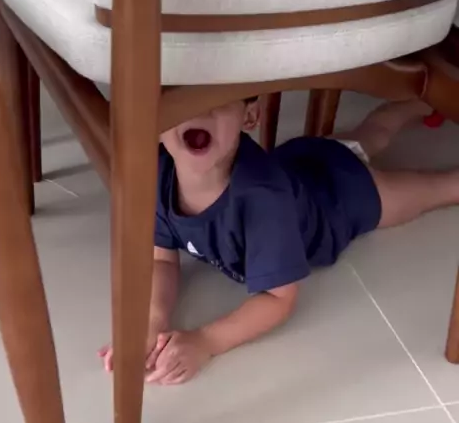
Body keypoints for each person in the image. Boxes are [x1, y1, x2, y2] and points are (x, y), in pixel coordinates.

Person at [100, 98, 459, 384]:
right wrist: (151, 322)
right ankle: (416, 104)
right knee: (370, 133)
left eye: (216, 100)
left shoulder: (262, 201)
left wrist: (205, 341)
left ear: (249, 116)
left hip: (344, 198)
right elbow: (161, 259)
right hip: (302, 161)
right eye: (182, 101)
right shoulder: (156, 173)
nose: (200, 112)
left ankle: (431, 98)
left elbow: (278, 298)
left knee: (435, 189)